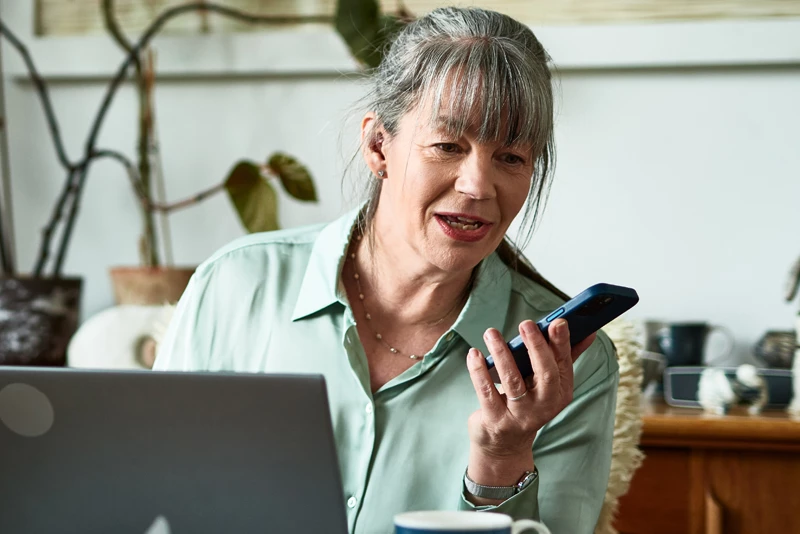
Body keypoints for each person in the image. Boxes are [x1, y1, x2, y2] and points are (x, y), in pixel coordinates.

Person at [154, 6, 619, 534]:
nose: (478, 186)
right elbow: (149, 495)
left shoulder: (568, 365)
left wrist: (502, 456)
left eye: (510, 157)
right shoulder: (236, 286)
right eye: (448, 146)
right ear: (379, 145)